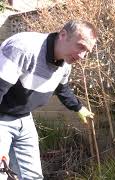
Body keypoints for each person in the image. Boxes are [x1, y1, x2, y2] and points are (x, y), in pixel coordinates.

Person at [0, 20, 97, 179]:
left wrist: (78, 108)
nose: (82, 56)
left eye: (87, 51)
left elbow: (62, 88)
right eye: (80, 46)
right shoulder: (23, 48)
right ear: (63, 35)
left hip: (24, 118)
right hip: (1, 118)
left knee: (33, 176)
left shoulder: (65, 64)